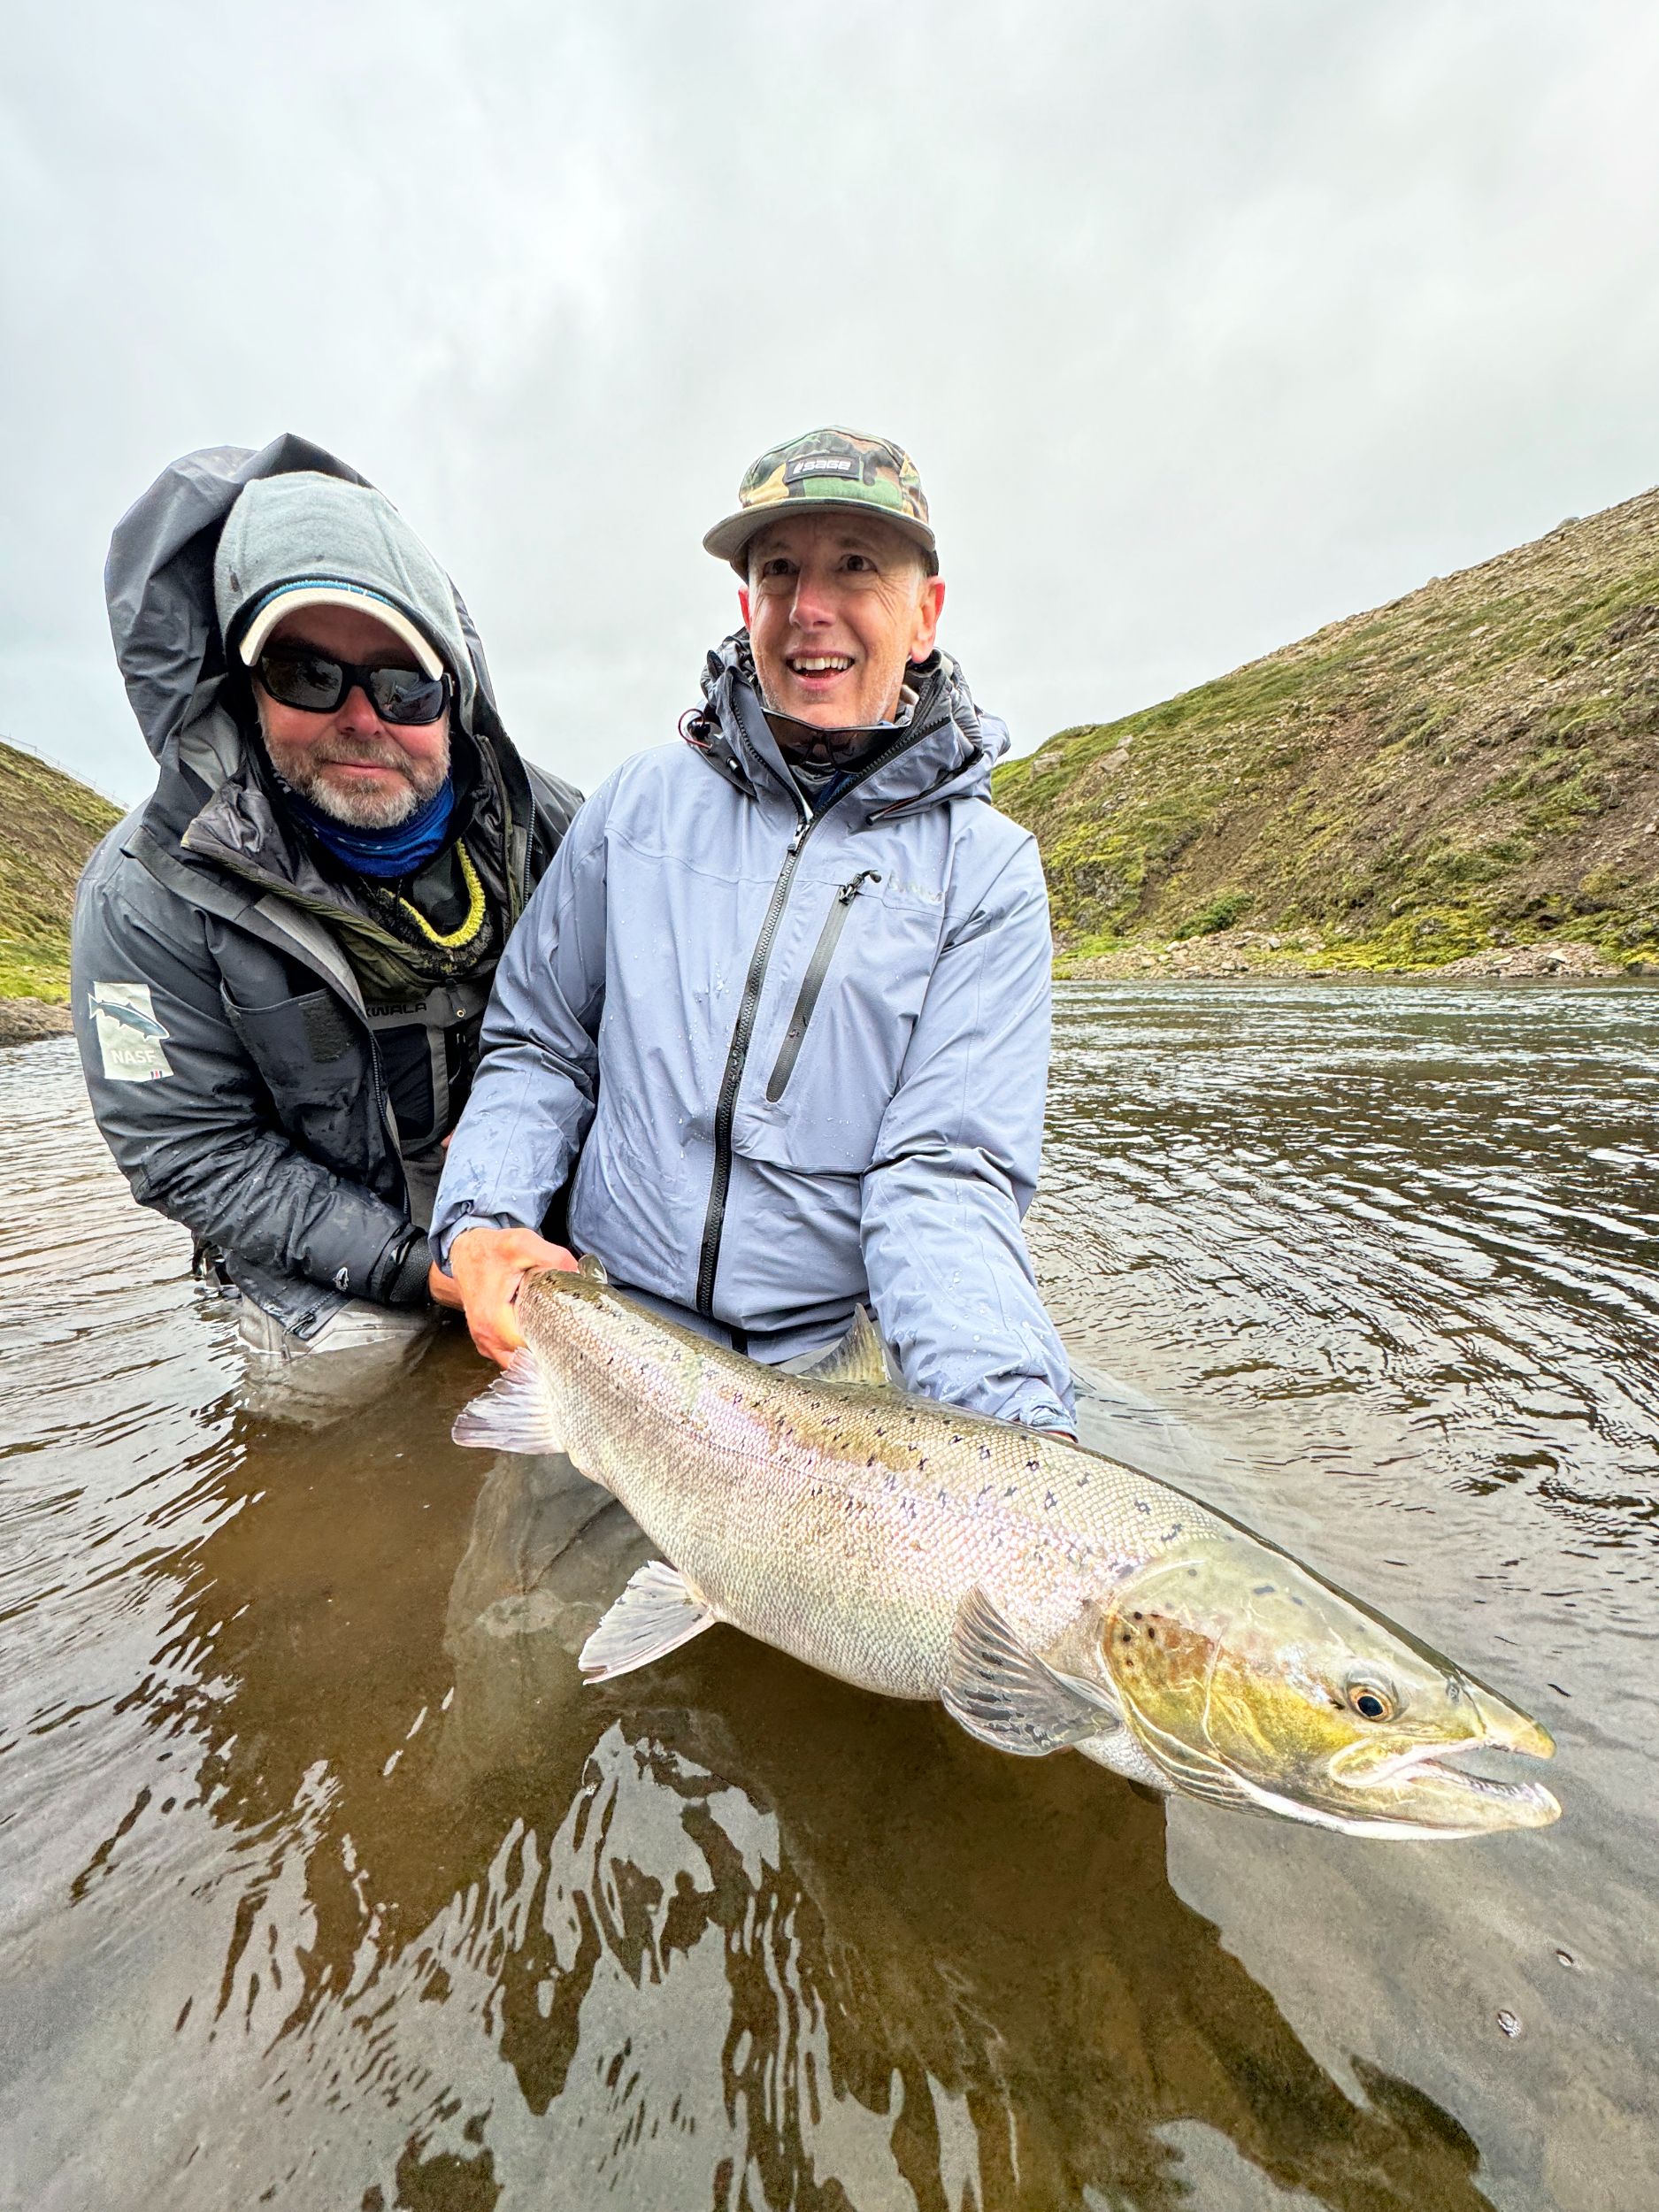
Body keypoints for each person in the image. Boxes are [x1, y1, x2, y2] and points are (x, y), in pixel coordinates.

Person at [432, 425, 1074, 1432]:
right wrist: (485, 1216)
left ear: (924, 615)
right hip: (612, 1329)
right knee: (490, 1548)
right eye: (779, 570)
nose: (810, 607)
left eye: (855, 565)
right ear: (747, 607)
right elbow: (541, 1045)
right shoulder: (635, 807)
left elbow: (945, 1177)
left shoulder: (986, 872)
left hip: (827, 1375)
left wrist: (1012, 1438)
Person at [73, 435, 580, 1386]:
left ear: (453, 694)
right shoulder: (141, 892)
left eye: (403, 685)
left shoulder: (560, 831)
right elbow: (188, 1151)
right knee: (342, 1401)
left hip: (521, 1218)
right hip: (330, 1261)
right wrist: (420, 1267)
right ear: (245, 685)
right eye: (307, 674)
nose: (361, 717)